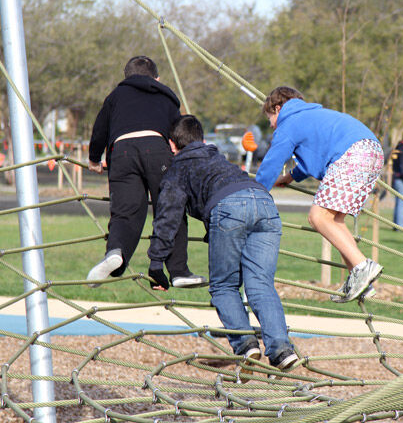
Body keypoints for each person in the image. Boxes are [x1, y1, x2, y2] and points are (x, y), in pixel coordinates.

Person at [148, 115, 298, 371]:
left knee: (224, 286)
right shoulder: (219, 159)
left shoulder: (177, 169)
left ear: (172, 146)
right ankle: (282, 350)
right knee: (261, 284)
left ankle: (245, 344)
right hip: (265, 203)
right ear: (203, 139)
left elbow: (167, 218)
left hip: (229, 208)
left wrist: (156, 262)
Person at [255, 86, 384, 303]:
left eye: (270, 117)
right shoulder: (310, 116)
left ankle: (363, 266)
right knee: (334, 219)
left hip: (352, 154)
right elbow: (312, 156)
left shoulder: (289, 122)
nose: (270, 124)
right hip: (371, 152)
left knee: (317, 217)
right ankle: (360, 280)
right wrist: (289, 178)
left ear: (278, 108)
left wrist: (255, 191)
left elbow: (272, 162)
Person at [86, 56, 204, 288]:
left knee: (124, 212)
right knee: (171, 208)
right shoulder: (167, 96)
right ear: (157, 79)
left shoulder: (116, 96)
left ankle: (115, 253)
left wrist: (93, 159)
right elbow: (178, 132)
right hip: (158, 150)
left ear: (127, 78)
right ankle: (179, 271)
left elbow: (100, 128)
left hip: (122, 151)